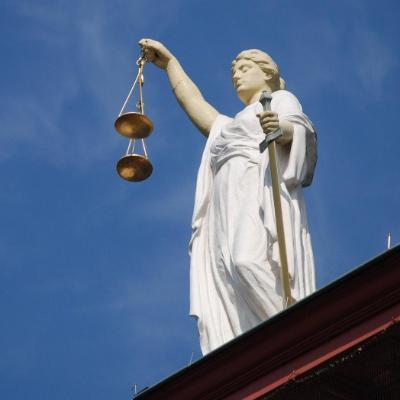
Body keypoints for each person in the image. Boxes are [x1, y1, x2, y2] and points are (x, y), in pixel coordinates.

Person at [139, 39, 317, 354]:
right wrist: (170, 65)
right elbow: (195, 103)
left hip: (254, 188)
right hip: (222, 202)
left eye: (245, 68)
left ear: (268, 73)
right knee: (227, 274)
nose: (236, 75)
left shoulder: (277, 98)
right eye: (234, 71)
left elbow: (300, 128)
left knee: (247, 260)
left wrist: (281, 127)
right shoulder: (228, 125)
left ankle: (292, 334)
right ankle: (252, 345)